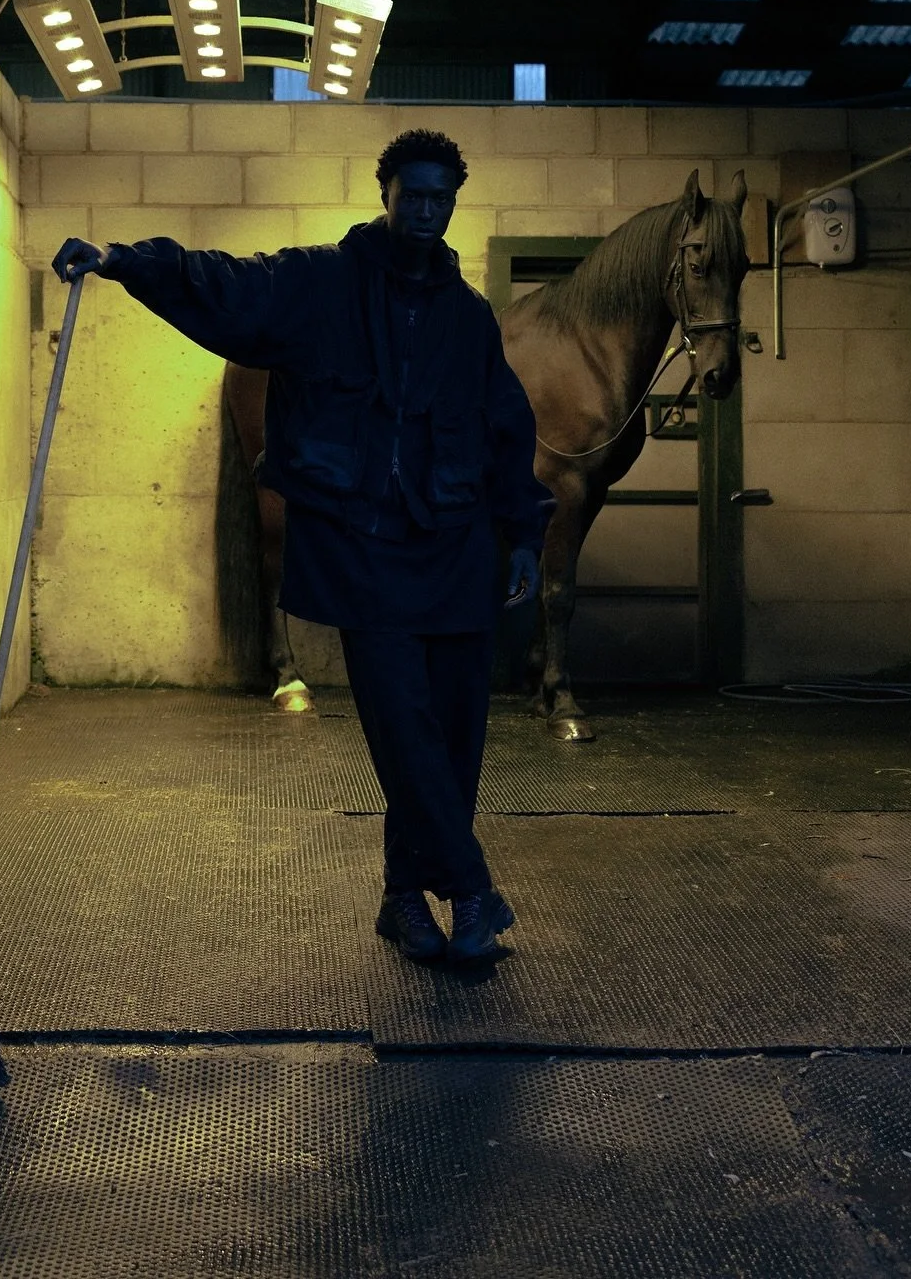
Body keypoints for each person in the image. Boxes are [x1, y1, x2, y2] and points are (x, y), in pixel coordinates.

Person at [52, 128, 555, 962]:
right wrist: (121, 260)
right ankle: (471, 893)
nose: (427, 209)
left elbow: (507, 429)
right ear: (386, 191)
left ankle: (404, 898)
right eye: (413, 193)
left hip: (456, 548)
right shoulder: (320, 284)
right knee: (403, 727)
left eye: (442, 197)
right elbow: (224, 285)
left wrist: (527, 533)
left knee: (457, 735)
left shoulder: (469, 319)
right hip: (361, 550)